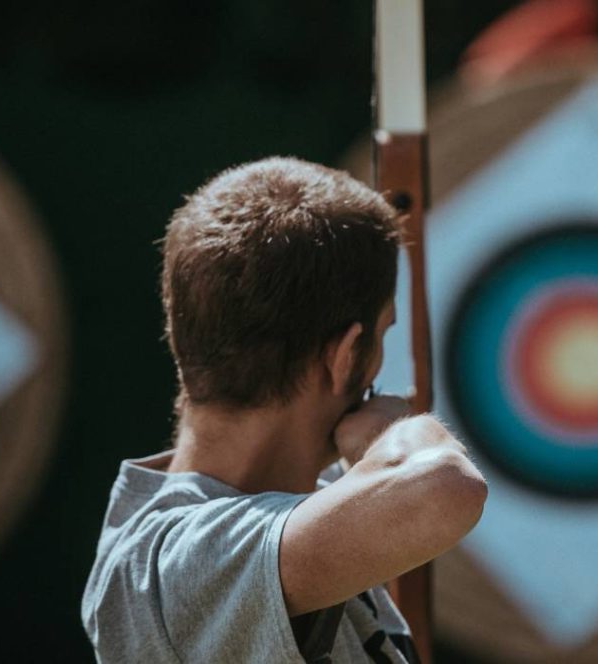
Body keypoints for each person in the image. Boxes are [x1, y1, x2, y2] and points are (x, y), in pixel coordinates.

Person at [81, 157, 488, 663]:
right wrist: (390, 433)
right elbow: (443, 489)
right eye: (383, 334)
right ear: (344, 358)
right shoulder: (177, 564)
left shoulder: (296, 509)